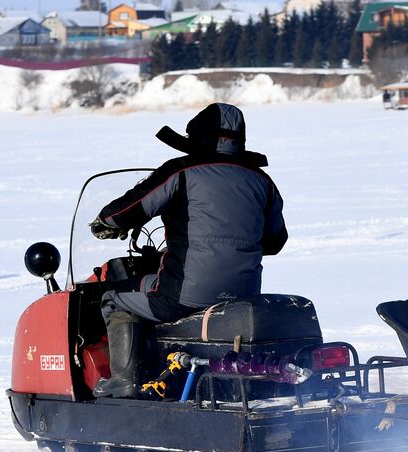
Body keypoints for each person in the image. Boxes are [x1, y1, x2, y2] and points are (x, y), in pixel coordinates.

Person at [89, 102, 288, 398]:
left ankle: (124, 381)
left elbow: (126, 210)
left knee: (114, 298)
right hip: (244, 298)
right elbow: (275, 242)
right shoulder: (262, 180)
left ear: (199, 135)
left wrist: (106, 223)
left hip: (184, 297)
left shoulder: (181, 172)